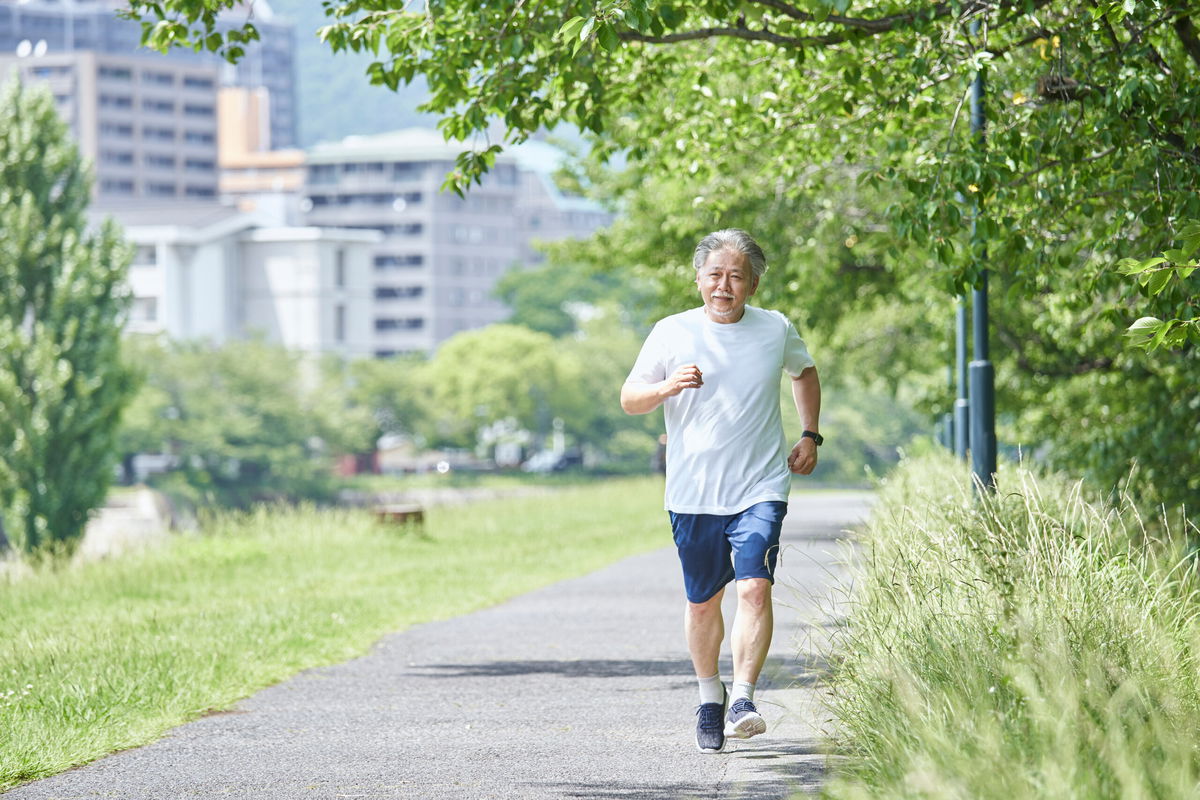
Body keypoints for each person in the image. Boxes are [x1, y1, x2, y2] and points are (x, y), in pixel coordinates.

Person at [620, 228, 822, 753]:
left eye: (736, 276)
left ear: (753, 284)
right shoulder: (670, 331)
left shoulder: (775, 328)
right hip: (693, 493)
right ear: (698, 279)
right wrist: (668, 386)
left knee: (755, 587)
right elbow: (630, 399)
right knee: (704, 603)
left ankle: (744, 699)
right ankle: (711, 694)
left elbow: (804, 372)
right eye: (715, 275)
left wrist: (809, 433)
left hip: (760, 484)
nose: (724, 286)